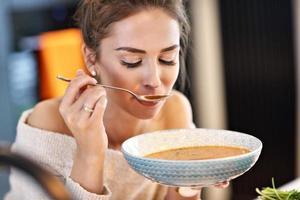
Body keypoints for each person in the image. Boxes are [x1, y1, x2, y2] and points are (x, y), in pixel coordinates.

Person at [5, 0, 228, 199]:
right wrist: (90, 153)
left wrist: (191, 181)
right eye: (131, 61)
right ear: (91, 58)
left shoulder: (175, 111)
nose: (154, 80)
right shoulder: (49, 124)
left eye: (167, 59)